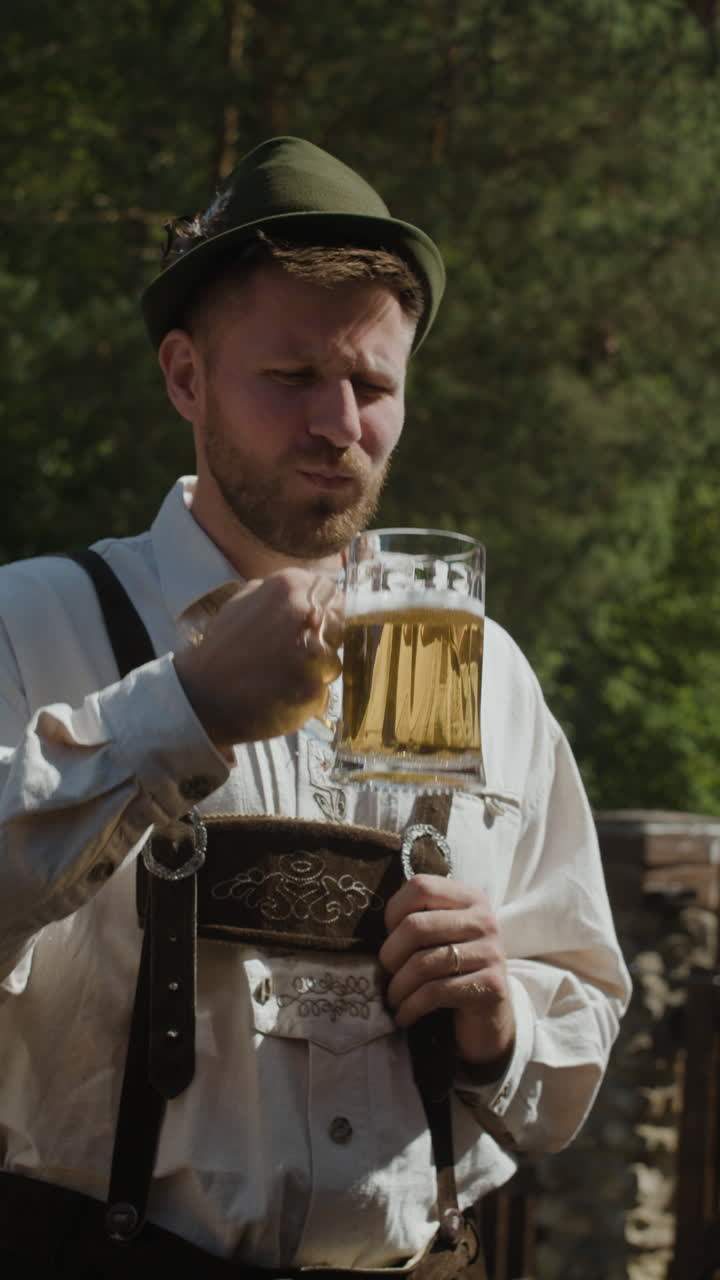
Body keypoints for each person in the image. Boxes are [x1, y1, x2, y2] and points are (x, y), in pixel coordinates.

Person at [0, 137, 631, 1277]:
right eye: (291, 377)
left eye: (374, 384)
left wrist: (499, 1027)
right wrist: (180, 708)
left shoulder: (482, 668)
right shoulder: (37, 621)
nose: (340, 421)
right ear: (187, 377)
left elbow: (578, 1009)